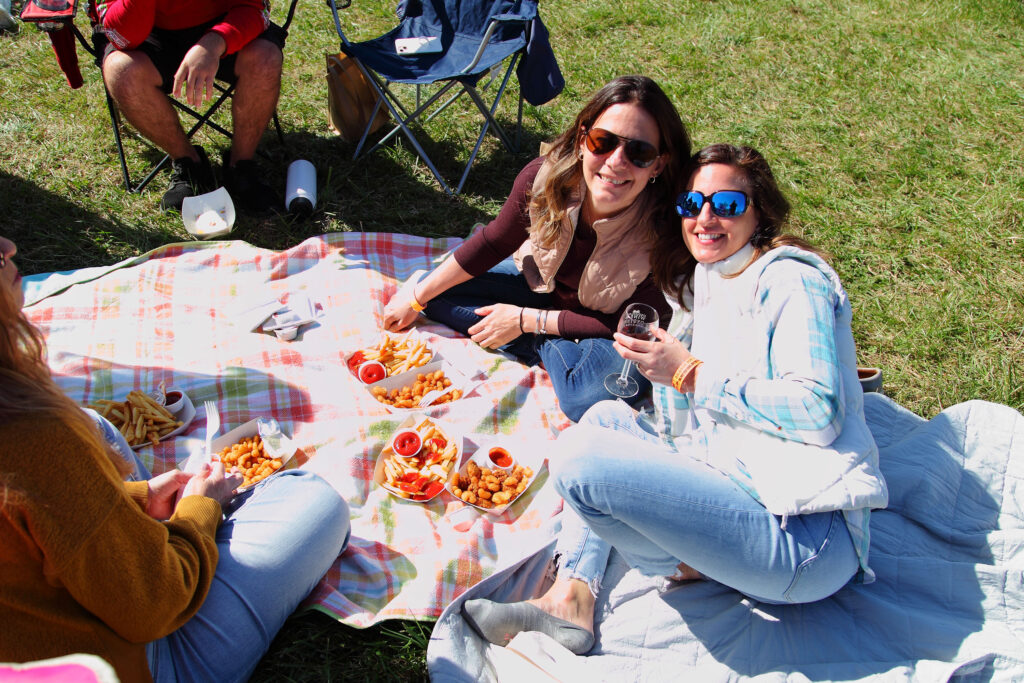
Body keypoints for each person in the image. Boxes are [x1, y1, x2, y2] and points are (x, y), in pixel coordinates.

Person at [460, 144, 889, 654]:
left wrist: (687, 373)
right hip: (742, 488)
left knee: (578, 462)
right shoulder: (704, 280)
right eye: (692, 204)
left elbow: (818, 410)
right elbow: (690, 431)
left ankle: (691, 567)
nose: (705, 218)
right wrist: (662, 383)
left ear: (761, 212)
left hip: (807, 539)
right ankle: (572, 597)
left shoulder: (790, 280)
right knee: (603, 419)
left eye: (726, 205)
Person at [0, 236, 350, 682]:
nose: (10, 246)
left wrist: (136, 496)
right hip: (125, 658)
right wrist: (199, 514)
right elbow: (153, 605)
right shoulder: (35, 438)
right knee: (311, 496)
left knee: (93, 423)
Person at [382, 75, 691, 421]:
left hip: (610, 328)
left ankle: (534, 343)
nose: (616, 161)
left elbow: (630, 326)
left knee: (589, 399)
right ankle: (550, 351)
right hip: (542, 288)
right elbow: (494, 240)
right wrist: (415, 298)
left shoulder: (669, 228)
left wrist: (527, 322)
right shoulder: (543, 180)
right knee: (435, 292)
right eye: (603, 142)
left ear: (659, 164)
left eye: (639, 152)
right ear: (581, 141)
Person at [97, 0, 284, 212]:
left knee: (265, 57)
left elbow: (253, 9)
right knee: (121, 70)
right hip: (149, 31)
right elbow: (123, 37)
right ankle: (188, 163)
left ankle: (241, 165)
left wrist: (214, 43)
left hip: (224, 19)